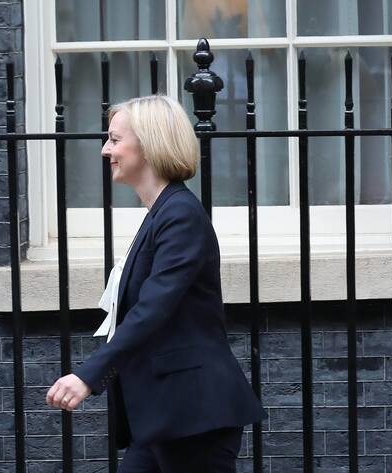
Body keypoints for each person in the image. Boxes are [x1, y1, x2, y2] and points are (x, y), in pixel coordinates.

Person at [45, 95, 265, 473]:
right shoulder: (159, 215)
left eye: (115, 140)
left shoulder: (180, 215)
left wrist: (89, 375)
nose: (105, 150)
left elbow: (152, 309)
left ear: (148, 145)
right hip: (165, 414)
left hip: (193, 413)